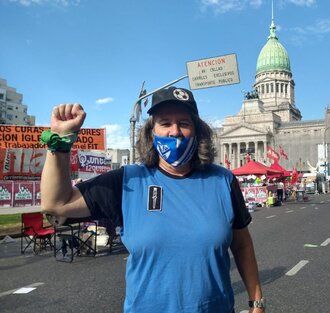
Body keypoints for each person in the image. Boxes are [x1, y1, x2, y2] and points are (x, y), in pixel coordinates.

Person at [40, 87, 265, 313]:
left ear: (197, 132)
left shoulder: (222, 181)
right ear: (151, 132)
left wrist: (257, 301)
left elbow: (242, 244)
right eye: (165, 123)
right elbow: (56, 204)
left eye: (184, 123)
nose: (174, 131)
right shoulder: (128, 181)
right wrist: (61, 141)